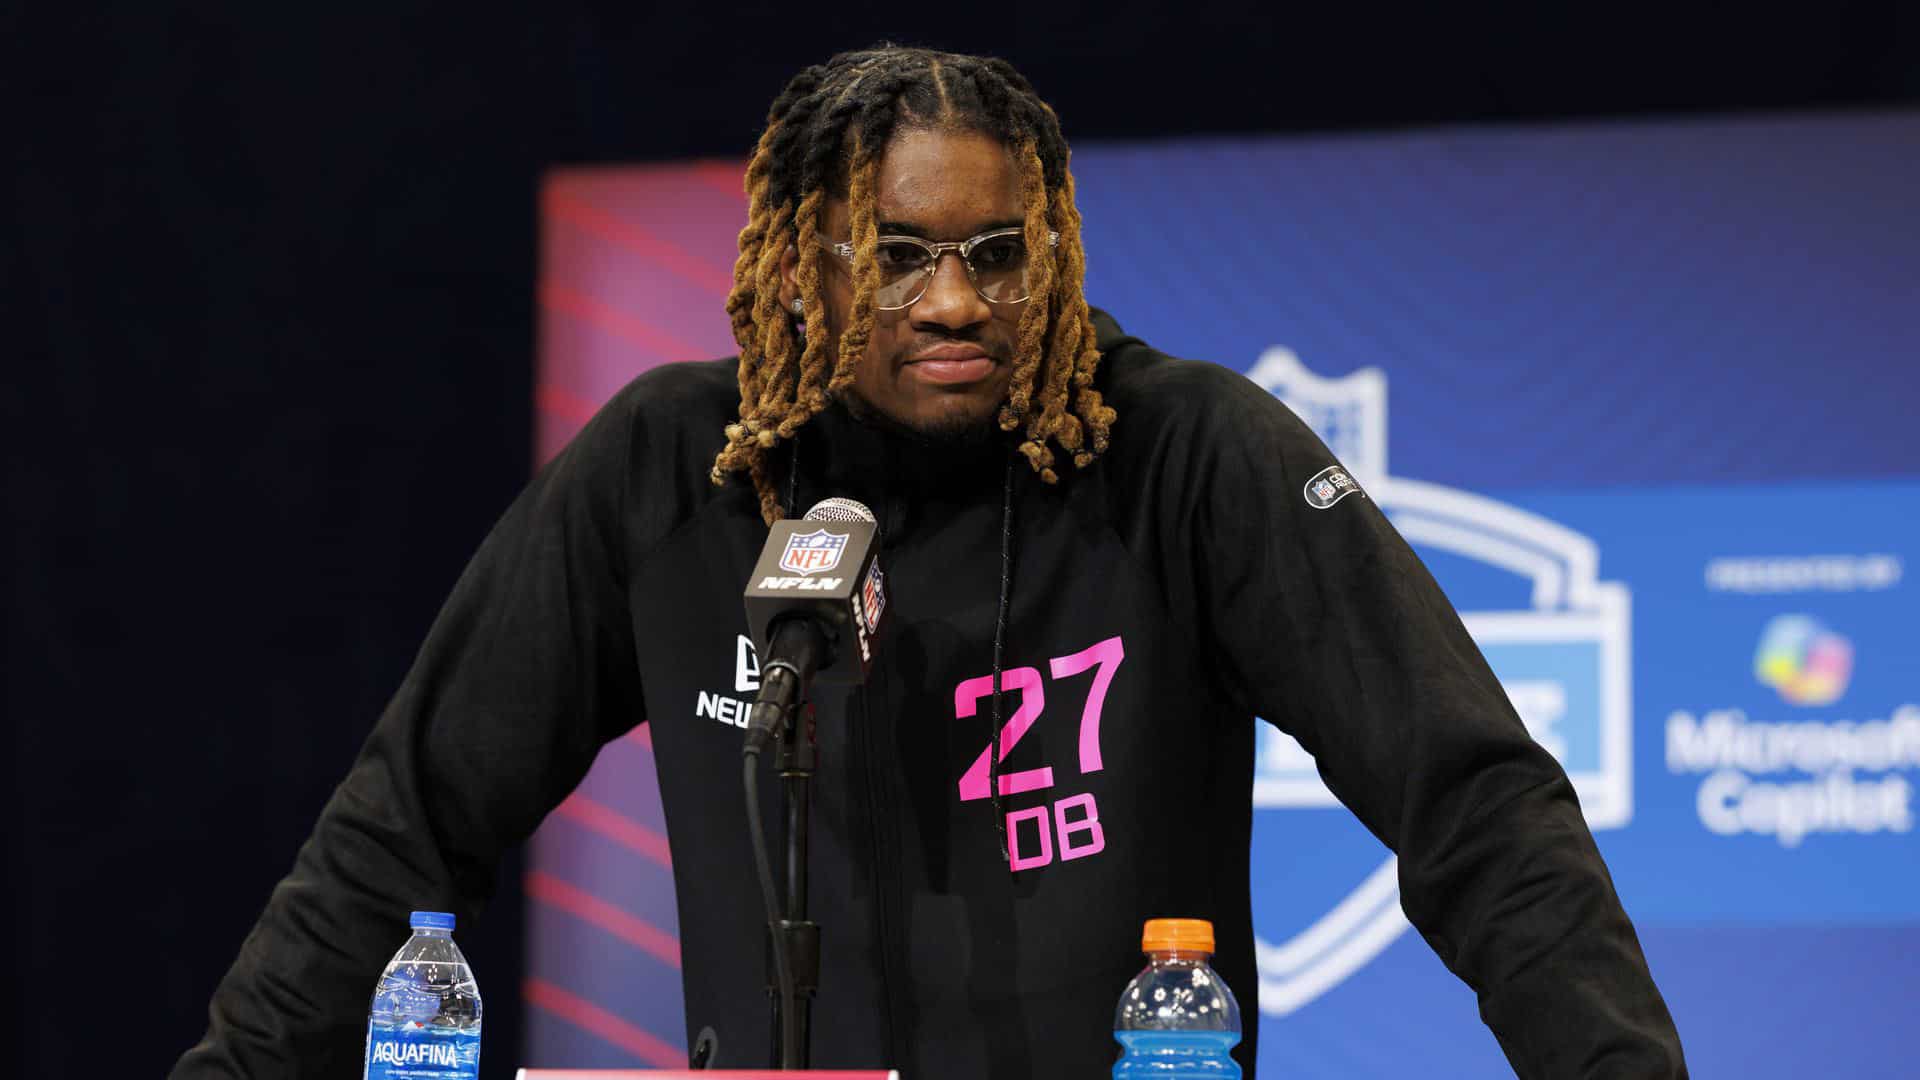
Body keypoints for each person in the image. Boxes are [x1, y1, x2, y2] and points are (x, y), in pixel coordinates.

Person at [174, 44, 1687, 1079]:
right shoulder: (674, 472)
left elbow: (1476, 801)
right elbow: (403, 829)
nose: (956, 300)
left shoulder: (1188, 456)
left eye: (999, 252)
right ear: (804, 257)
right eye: (898, 253)